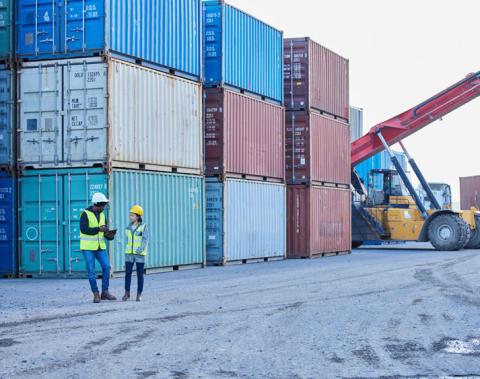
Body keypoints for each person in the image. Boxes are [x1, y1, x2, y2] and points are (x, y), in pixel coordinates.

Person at [80, 192, 117, 303]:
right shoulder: (85, 214)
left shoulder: (102, 215)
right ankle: (96, 293)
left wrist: (109, 235)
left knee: (106, 267)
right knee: (91, 271)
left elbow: (103, 231)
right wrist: (98, 229)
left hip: (100, 246)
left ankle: (104, 292)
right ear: (97, 204)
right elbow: (84, 230)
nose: (104, 207)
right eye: (103, 205)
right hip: (88, 248)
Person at [123, 205, 148, 302]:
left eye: (132, 215)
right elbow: (127, 241)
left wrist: (140, 250)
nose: (130, 217)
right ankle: (127, 293)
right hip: (129, 254)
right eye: (130, 215)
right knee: (127, 274)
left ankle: (139, 294)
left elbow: (145, 240)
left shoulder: (143, 227)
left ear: (138, 216)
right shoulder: (128, 228)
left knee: (140, 275)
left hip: (139, 255)